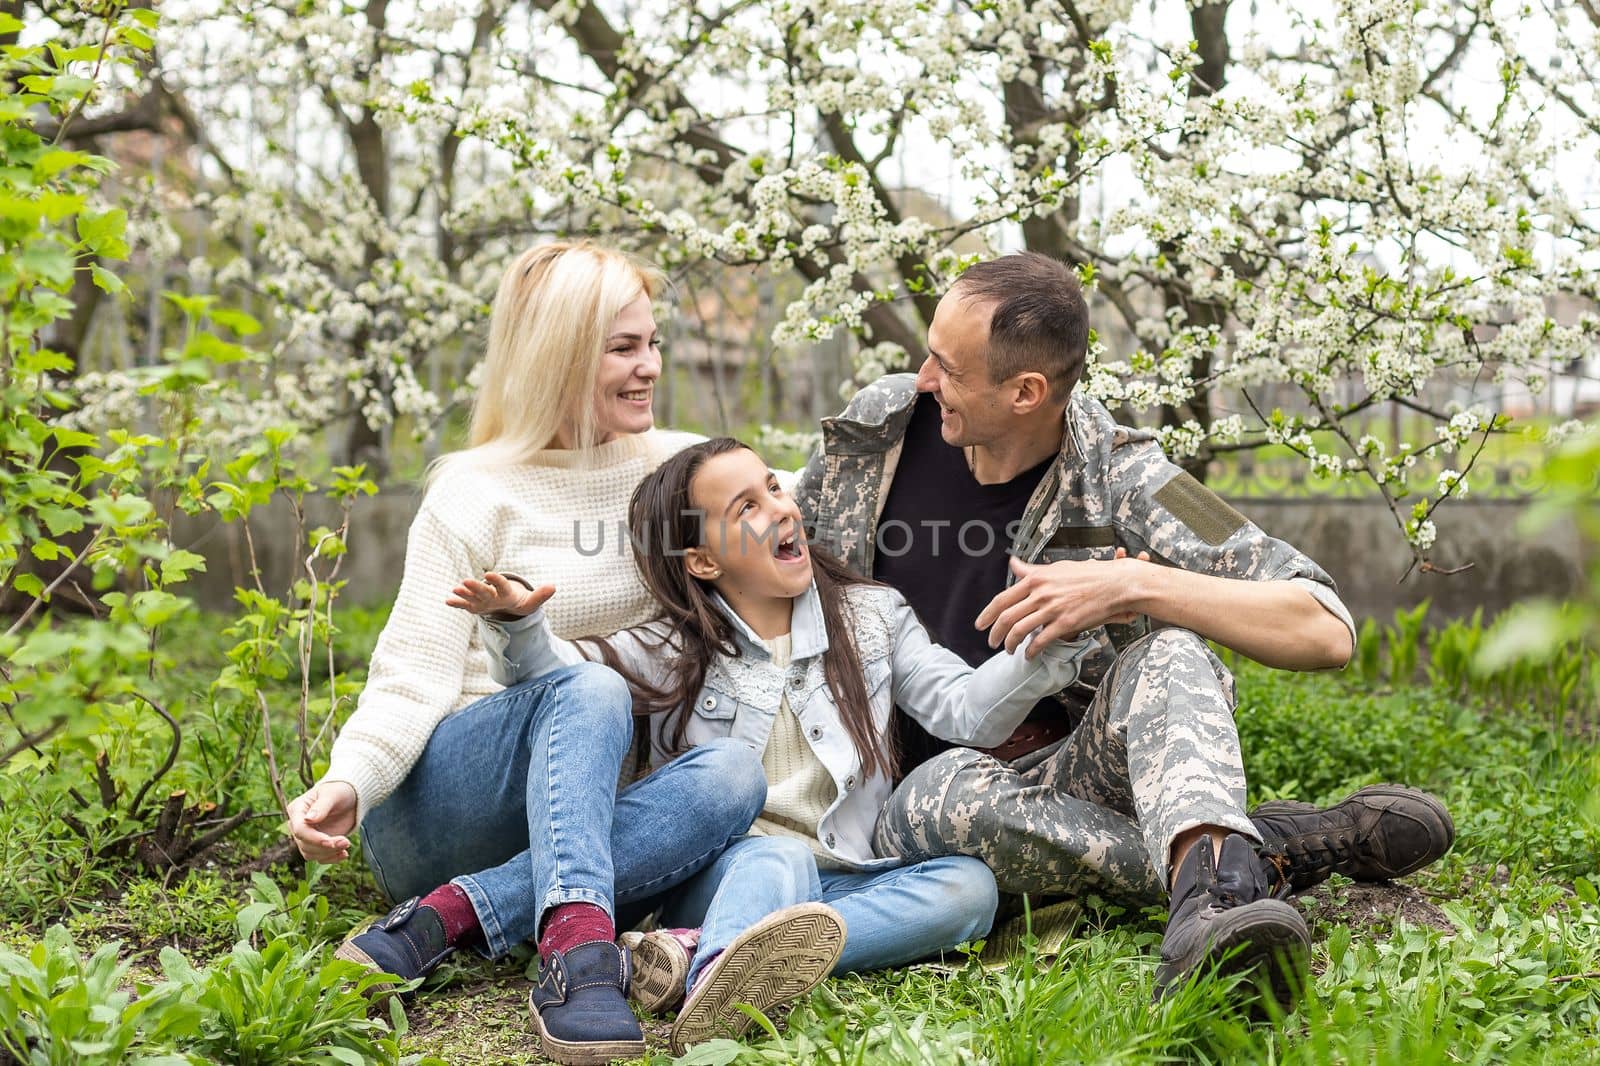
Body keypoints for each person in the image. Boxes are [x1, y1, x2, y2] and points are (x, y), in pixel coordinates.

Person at [793, 252, 1456, 1004]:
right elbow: (783, 557)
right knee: (942, 793)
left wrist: (1134, 583)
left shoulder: (1135, 481)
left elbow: (1323, 625)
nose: (922, 378)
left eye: (947, 366)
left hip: (1068, 775)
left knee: (1168, 653)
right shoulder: (874, 434)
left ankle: (1210, 918)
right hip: (912, 802)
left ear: (1025, 391)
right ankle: (1242, 858)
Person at [284, 242, 768, 1065]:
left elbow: (797, 509)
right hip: (447, 805)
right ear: (560, 354)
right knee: (591, 689)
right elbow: (410, 677)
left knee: (734, 777)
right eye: (624, 348)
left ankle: (450, 919)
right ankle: (579, 961)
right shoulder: (474, 492)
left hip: (574, 820)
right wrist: (347, 782)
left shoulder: (678, 471)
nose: (650, 366)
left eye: (653, 343)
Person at [450, 437, 1095, 1053]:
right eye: (747, 507)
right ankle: (718, 986)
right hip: (733, 875)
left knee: (970, 888)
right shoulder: (674, 652)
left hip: (845, 880)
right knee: (777, 862)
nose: (781, 509)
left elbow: (967, 711)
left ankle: (705, 952)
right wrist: (518, 623)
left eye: (773, 487)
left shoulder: (873, 616)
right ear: (703, 560)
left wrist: (1056, 639)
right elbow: (566, 681)